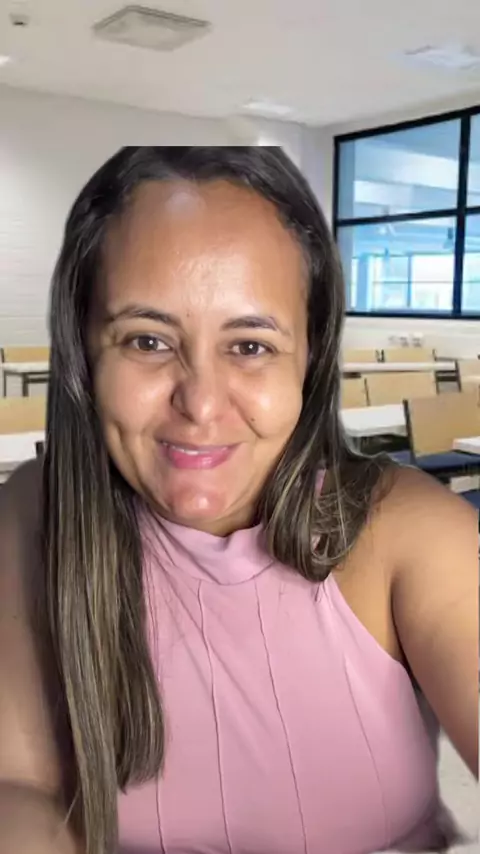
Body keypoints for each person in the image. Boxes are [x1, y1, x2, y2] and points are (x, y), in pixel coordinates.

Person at [0, 146, 477, 854]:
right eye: (147, 340)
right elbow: (19, 788)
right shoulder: (36, 513)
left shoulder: (413, 528)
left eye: (250, 346)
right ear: (84, 351)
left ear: (310, 357)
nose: (200, 404)